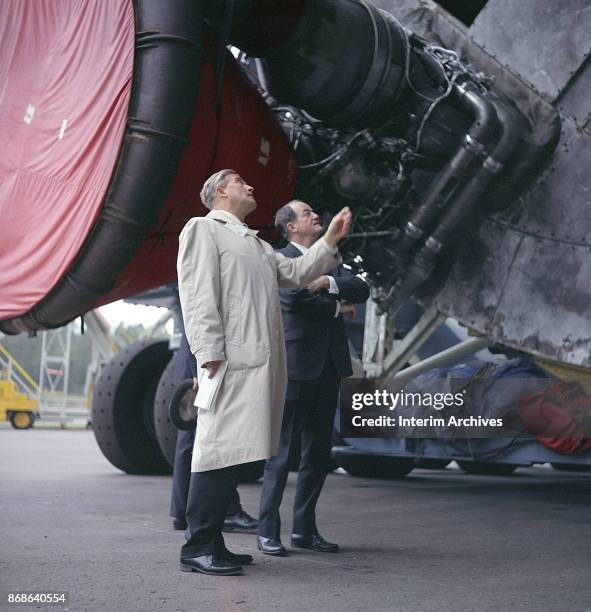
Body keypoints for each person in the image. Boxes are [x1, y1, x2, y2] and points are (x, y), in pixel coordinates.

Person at [176, 169, 352, 576]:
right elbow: (197, 296)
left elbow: (294, 274)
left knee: (233, 454)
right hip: (228, 361)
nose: (250, 185)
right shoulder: (203, 229)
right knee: (215, 451)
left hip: (251, 363)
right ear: (220, 191)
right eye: (240, 182)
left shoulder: (252, 243)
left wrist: (329, 241)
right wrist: (208, 354)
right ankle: (197, 546)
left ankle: (214, 542)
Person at [257, 201, 369, 556]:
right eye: (306, 214)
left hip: (329, 367)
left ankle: (304, 531)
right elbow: (295, 300)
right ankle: (267, 531)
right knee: (282, 453)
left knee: (318, 455)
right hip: (297, 364)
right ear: (291, 227)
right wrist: (338, 305)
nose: (314, 216)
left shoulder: (331, 255)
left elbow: (361, 289)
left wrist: (329, 282)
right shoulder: (281, 259)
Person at [169, 329, 258, 533]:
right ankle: (227, 511)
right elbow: (197, 321)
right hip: (201, 369)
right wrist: (197, 369)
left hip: (197, 365)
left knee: (190, 442)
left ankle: (182, 512)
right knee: (210, 440)